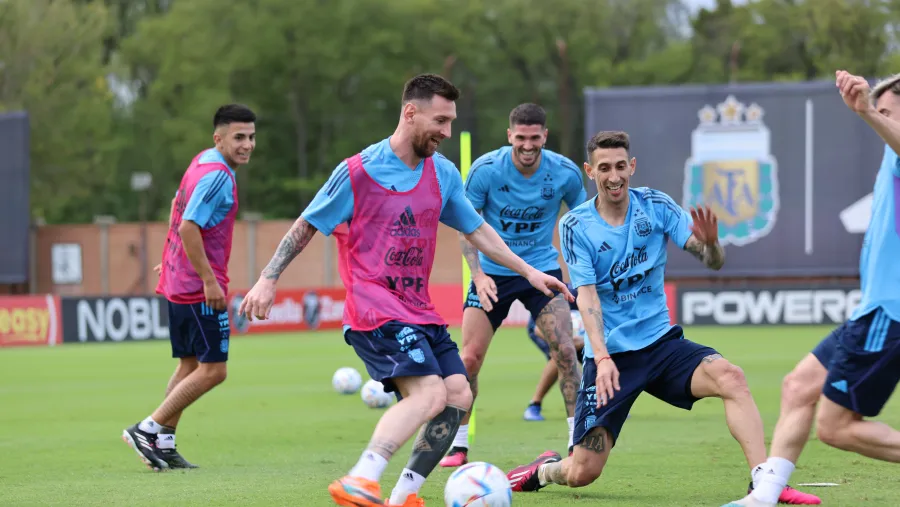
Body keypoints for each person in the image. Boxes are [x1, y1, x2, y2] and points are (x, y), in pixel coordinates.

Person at [236, 75, 572, 507]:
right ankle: (362, 476)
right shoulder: (359, 172)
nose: (447, 132)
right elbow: (305, 225)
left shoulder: (443, 172)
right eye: (441, 120)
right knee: (431, 393)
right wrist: (268, 277)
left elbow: (479, 230)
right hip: (374, 308)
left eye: (451, 122)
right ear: (410, 113)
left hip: (419, 310)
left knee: (458, 393)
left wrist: (528, 272)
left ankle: (404, 495)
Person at [505, 131, 820, 506]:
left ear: (632, 166)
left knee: (731, 377)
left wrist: (712, 244)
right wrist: (602, 357)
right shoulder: (575, 226)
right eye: (604, 168)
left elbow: (712, 261)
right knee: (581, 472)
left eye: (621, 166)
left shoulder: (655, 206)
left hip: (662, 345)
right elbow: (587, 297)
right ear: (591, 171)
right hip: (613, 360)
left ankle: (763, 483)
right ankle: (543, 470)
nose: (614, 176)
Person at [720, 70, 900, 506]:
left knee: (836, 427)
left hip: (888, 313)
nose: (882, 118)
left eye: (890, 112)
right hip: (872, 311)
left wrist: (868, 113)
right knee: (799, 386)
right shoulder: (890, 158)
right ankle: (764, 497)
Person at [440, 103, 587, 468]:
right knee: (469, 359)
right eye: (520, 138)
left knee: (567, 352)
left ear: (544, 136)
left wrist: (583, 275)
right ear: (510, 136)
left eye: (534, 138)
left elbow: (583, 222)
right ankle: (458, 447)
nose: (527, 145)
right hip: (492, 274)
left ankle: (577, 444)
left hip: (542, 271)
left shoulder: (565, 172)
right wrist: (477, 274)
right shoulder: (486, 171)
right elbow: (465, 226)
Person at [122, 104, 257, 471]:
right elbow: (188, 226)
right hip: (199, 288)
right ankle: (146, 429)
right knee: (215, 370)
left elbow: (176, 206)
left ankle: (163, 445)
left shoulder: (203, 161)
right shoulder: (218, 176)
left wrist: (171, 257)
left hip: (179, 280)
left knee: (190, 365)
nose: (247, 145)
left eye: (251, 137)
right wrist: (209, 280)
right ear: (219, 138)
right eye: (238, 137)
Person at [523, 288, 586, 422]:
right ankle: (534, 405)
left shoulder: (599, 296)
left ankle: (605, 403)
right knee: (561, 355)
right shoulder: (569, 295)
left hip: (581, 338)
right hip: (543, 331)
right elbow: (537, 329)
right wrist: (567, 342)